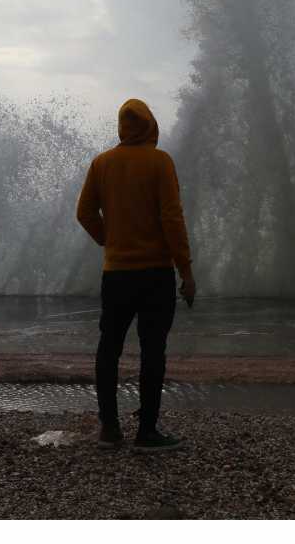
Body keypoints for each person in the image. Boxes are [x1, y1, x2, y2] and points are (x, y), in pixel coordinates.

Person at [76, 98, 195, 452]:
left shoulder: (102, 163)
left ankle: (110, 429)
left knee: (108, 348)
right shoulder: (159, 162)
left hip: (117, 274)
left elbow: (84, 213)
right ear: (151, 125)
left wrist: (108, 239)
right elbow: (172, 220)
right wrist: (186, 271)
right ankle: (147, 432)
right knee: (152, 350)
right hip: (156, 274)